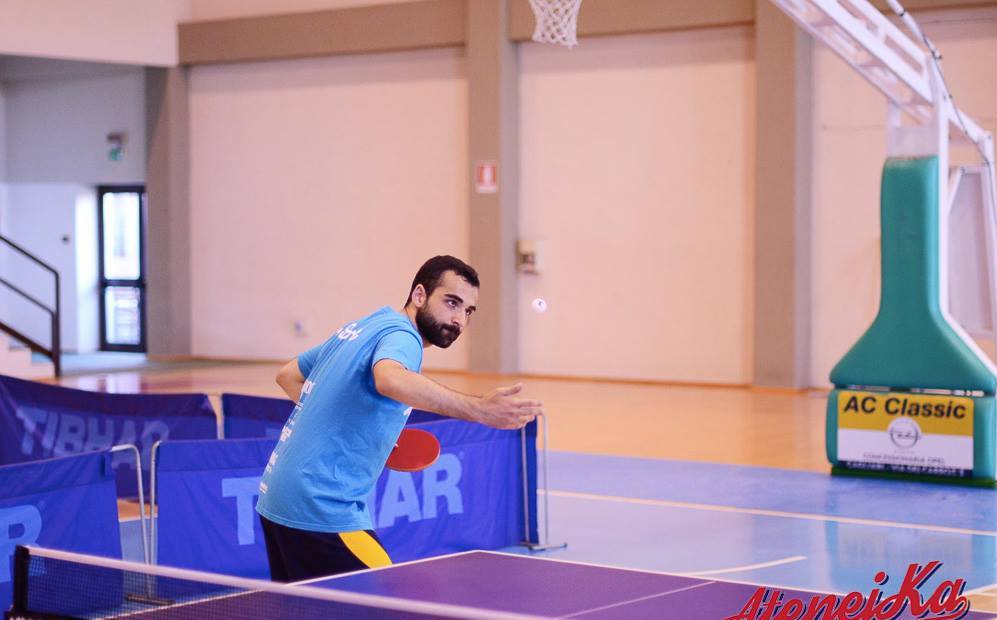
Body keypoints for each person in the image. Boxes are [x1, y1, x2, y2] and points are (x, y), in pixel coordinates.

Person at [255, 255, 543, 582]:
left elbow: (288, 375)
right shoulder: (404, 338)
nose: (459, 320)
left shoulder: (365, 326)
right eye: (451, 302)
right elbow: (389, 378)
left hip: (278, 497)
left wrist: (354, 428)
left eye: (468, 311)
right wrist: (479, 409)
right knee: (384, 599)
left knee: (308, 606)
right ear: (419, 295)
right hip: (319, 505)